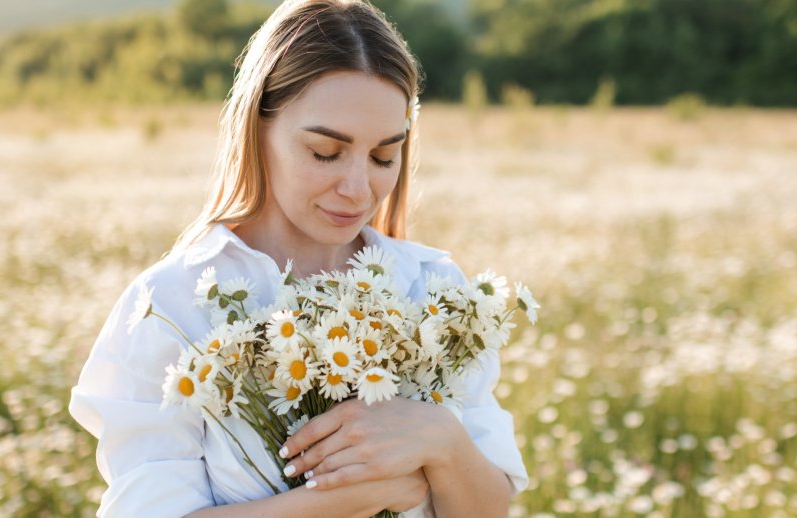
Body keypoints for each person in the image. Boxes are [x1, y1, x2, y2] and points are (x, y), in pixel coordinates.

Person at [68, 1, 528, 516]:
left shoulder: (432, 287)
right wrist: (353, 498)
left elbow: (490, 508)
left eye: (383, 156)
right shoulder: (171, 304)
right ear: (258, 128)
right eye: (325, 152)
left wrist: (442, 439)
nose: (358, 189)